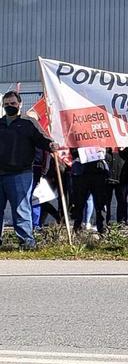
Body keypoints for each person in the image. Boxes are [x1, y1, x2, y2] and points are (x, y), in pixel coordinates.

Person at [0, 92, 54, 248]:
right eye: (7, 104)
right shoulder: (0, 123)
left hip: (20, 173)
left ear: (20, 104)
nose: (10, 106)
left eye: (13, 103)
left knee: (21, 209)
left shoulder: (28, 123)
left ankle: (27, 242)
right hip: (0, 173)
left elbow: (41, 138)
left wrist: (50, 145)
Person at [70, 148, 114, 235]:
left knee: (100, 203)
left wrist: (103, 153)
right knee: (79, 203)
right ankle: (77, 229)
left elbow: (109, 157)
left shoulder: (102, 140)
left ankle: (102, 229)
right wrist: (83, 152)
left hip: (99, 174)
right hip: (82, 174)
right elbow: (73, 151)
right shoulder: (80, 138)